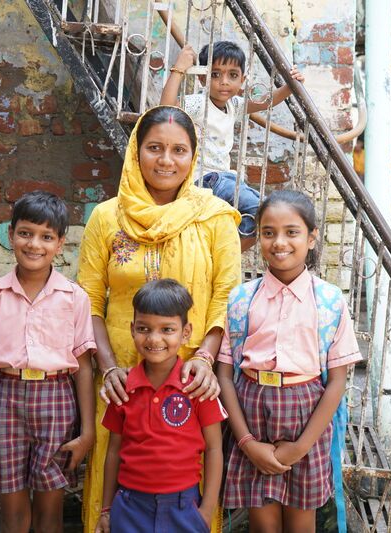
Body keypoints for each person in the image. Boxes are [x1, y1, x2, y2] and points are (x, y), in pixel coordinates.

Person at [78, 105, 242, 531]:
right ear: (136, 152)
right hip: (120, 382)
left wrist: (205, 358)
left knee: (188, 491)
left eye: (178, 150)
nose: (166, 160)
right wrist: (109, 366)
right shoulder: (106, 218)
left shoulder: (213, 217)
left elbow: (228, 296)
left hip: (191, 381)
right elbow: (89, 302)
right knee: (117, 487)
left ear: (193, 156)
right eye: (154, 148)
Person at [216, 190, 362, 533]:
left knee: (301, 522)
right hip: (250, 411)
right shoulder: (241, 300)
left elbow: (336, 381)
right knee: (263, 524)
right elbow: (225, 375)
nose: (279, 242)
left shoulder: (328, 302)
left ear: (311, 238)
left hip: (307, 414)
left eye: (291, 232)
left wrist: (301, 447)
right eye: (268, 232)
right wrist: (247, 443)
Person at [0, 191, 96, 533]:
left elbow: (83, 365)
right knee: (12, 512)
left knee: (50, 513)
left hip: (56, 400)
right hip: (5, 399)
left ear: (61, 243)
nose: (34, 244)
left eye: (46, 236)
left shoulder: (74, 298)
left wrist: (88, 431)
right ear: (10, 235)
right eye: (25, 233)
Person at [95, 279, 227, 533]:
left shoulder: (198, 387)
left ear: (185, 332)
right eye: (144, 328)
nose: (154, 339)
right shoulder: (123, 388)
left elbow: (214, 449)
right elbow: (113, 452)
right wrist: (107, 509)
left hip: (183, 508)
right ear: (132, 329)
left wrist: (206, 511)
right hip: (130, 508)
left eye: (167, 329)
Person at [160, 41, 305, 252]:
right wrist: (179, 69)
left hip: (226, 179)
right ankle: (223, 255)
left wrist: (291, 85)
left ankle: (221, 255)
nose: (224, 82)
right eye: (215, 74)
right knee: (264, 211)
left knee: (267, 215)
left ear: (242, 80)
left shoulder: (234, 105)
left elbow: (266, 102)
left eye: (233, 76)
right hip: (206, 180)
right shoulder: (199, 104)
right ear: (202, 78)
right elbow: (165, 110)